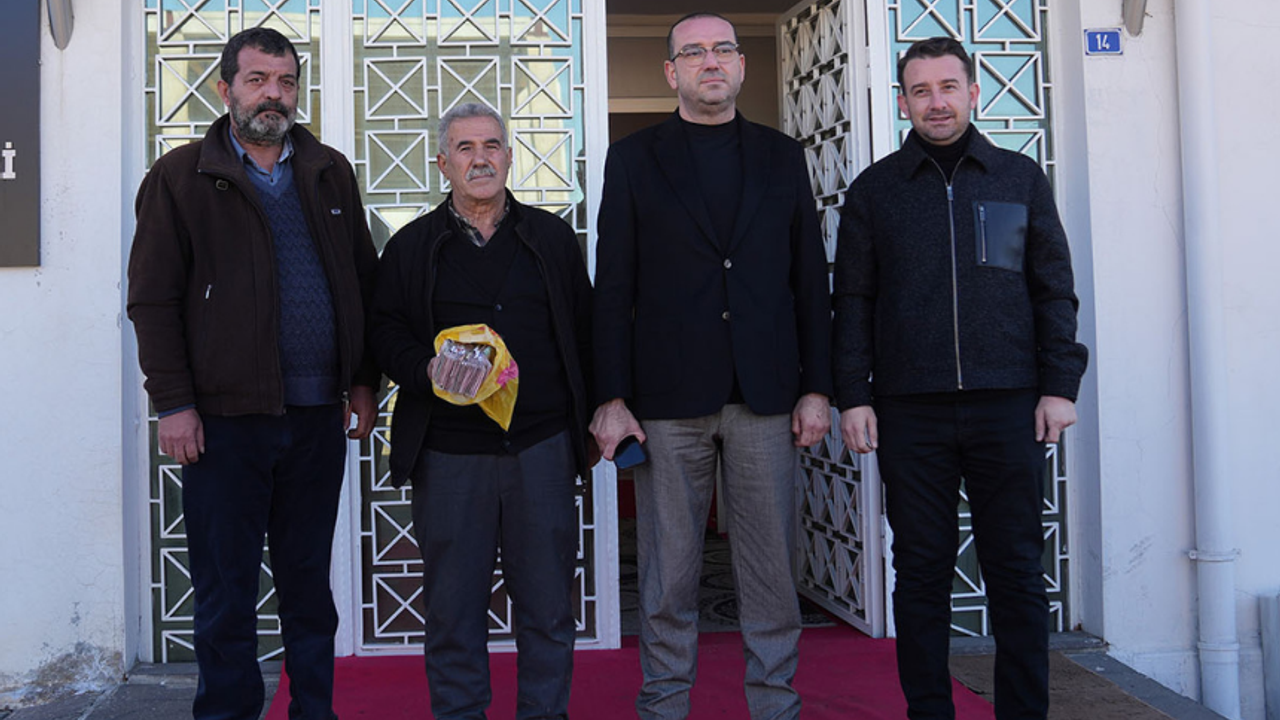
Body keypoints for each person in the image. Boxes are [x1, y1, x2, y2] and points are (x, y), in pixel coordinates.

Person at [127, 27, 380, 720]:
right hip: (223, 423)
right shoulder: (180, 177)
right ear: (225, 88)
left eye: (286, 82)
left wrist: (363, 380)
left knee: (308, 590)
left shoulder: (329, 170)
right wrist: (173, 403)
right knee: (226, 593)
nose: (274, 95)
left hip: (317, 418)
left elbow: (360, 281)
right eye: (258, 80)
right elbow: (152, 300)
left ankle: (313, 712)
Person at [833, 37, 1089, 720]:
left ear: (973, 93)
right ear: (903, 103)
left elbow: (1052, 288)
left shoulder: (1016, 178)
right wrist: (854, 395)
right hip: (910, 410)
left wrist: (1059, 384)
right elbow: (852, 300)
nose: (936, 102)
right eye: (921, 91)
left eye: (948, 87)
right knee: (920, 571)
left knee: (1015, 572)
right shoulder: (876, 190)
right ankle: (929, 711)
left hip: (1009, 403)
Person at [591, 12, 832, 720]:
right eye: (693, 52)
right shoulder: (633, 160)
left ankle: (775, 705)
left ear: (741, 66)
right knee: (668, 575)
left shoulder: (782, 156)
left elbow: (809, 280)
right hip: (667, 398)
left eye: (724, 48)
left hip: (767, 395)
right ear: (672, 72)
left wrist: (818, 388)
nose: (711, 61)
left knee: (771, 573)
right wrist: (612, 396)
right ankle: (664, 705)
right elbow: (614, 287)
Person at [368, 102, 593, 720]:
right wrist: (425, 370)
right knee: (452, 611)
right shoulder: (413, 246)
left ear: (510, 157)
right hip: (449, 454)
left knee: (548, 607)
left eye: (492, 145)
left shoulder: (550, 238)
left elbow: (585, 329)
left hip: (541, 448)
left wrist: (603, 413)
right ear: (443, 164)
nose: (480, 159)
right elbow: (382, 331)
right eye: (465, 148)